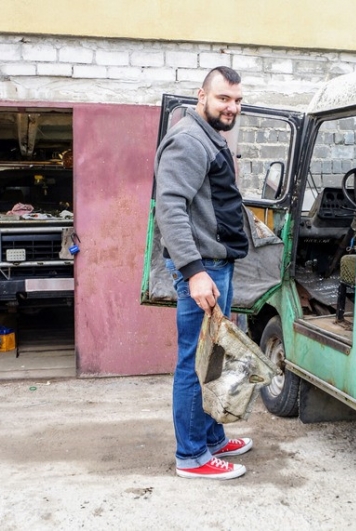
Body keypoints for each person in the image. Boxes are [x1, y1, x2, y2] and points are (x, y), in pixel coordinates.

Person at [154, 66, 253, 480]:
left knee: (214, 359)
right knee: (196, 363)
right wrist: (193, 272)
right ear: (202, 96)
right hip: (204, 271)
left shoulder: (209, 137)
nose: (231, 107)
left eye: (237, 100)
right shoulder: (190, 140)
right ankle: (191, 457)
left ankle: (211, 439)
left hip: (217, 266)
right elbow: (170, 209)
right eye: (223, 98)